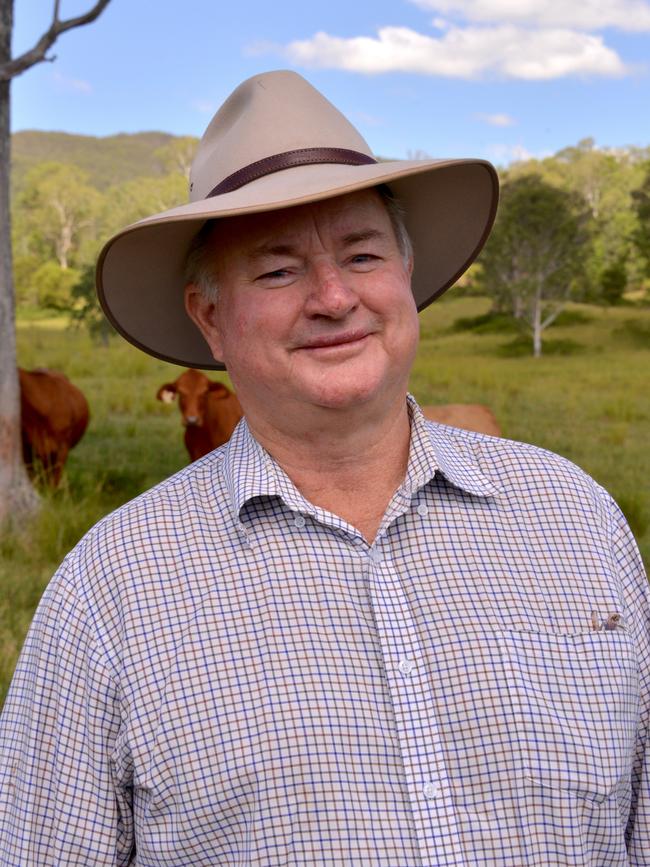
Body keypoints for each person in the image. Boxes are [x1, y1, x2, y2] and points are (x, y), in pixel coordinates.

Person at [0, 70, 647, 866]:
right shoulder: (111, 588)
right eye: (278, 269)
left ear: (404, 278)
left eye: (363, 253)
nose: (335, 296)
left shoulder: (576, 519)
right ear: (209, 319)